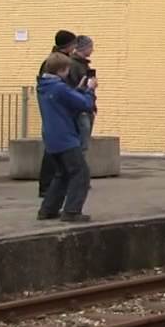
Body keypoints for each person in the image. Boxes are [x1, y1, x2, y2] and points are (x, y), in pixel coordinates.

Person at [36, 52, 97, 223]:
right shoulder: (59, 88)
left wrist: (79, 90)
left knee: (62, 173)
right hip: (65, 137)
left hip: (51, 137)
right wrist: (90, 90)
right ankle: (71, 211)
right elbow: (85, 104)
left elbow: (63, 101)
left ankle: (48, 209)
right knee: (81, 173)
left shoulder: (43, 86)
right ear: (62, 70)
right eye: (67, 69)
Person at [37, 30, 77, 198]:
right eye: (73, 44)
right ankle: (48, 186)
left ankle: (52, 186)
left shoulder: (56, 61)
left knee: (54, 150)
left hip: (57, 110)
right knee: (54, 151)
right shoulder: (55, 63)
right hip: (57, 111)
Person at [69, 36, 96, 152]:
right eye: (90, 47)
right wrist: (88, 88)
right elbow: (72, 88)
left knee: (83, 144)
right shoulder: (74, 65)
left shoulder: (83, 65)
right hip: (80, 109)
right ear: (83, 48)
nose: (92, 50)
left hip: (86, 106)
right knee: (81, 145)